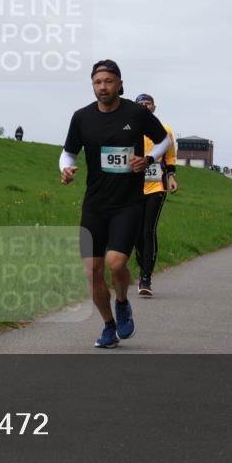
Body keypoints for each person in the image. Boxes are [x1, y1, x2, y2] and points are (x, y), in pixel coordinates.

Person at [60, 61, 170, 348]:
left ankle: (122, 302)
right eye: (98, 82)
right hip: (95, 205)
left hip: (128, 203)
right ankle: (109, 325)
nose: (103, 87)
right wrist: (66, 169)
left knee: (116, 262)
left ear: (120, 84)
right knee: (92, 270)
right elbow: (68, 152)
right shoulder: (81, 117)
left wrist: (148, 159)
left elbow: (163, 141)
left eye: (108, 81)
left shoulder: (136, 113)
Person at [133, 93, 177, 297]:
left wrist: (172, 177)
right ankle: (142, 265)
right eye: (140, 103)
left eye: (148, 103)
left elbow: (170, 157)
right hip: (132, 187)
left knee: (148, 230)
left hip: (156, 186)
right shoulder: (130, 128)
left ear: (154, 107)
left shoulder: (164, 130)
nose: (144, 106)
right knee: (135, 233)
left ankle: (146, 278)